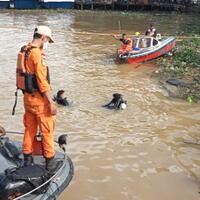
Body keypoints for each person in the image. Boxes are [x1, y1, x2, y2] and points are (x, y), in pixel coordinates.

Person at [19, 26, 57, 171]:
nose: (46, 43)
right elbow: (42, 81)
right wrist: (50, 102)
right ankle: (50, 163)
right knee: (47, 130)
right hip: (39, 101)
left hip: (27, 99)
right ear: (43, 38)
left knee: (30, 129)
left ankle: (27, 160)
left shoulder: (25, 49)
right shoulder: (36, 54)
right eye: (47, 40)